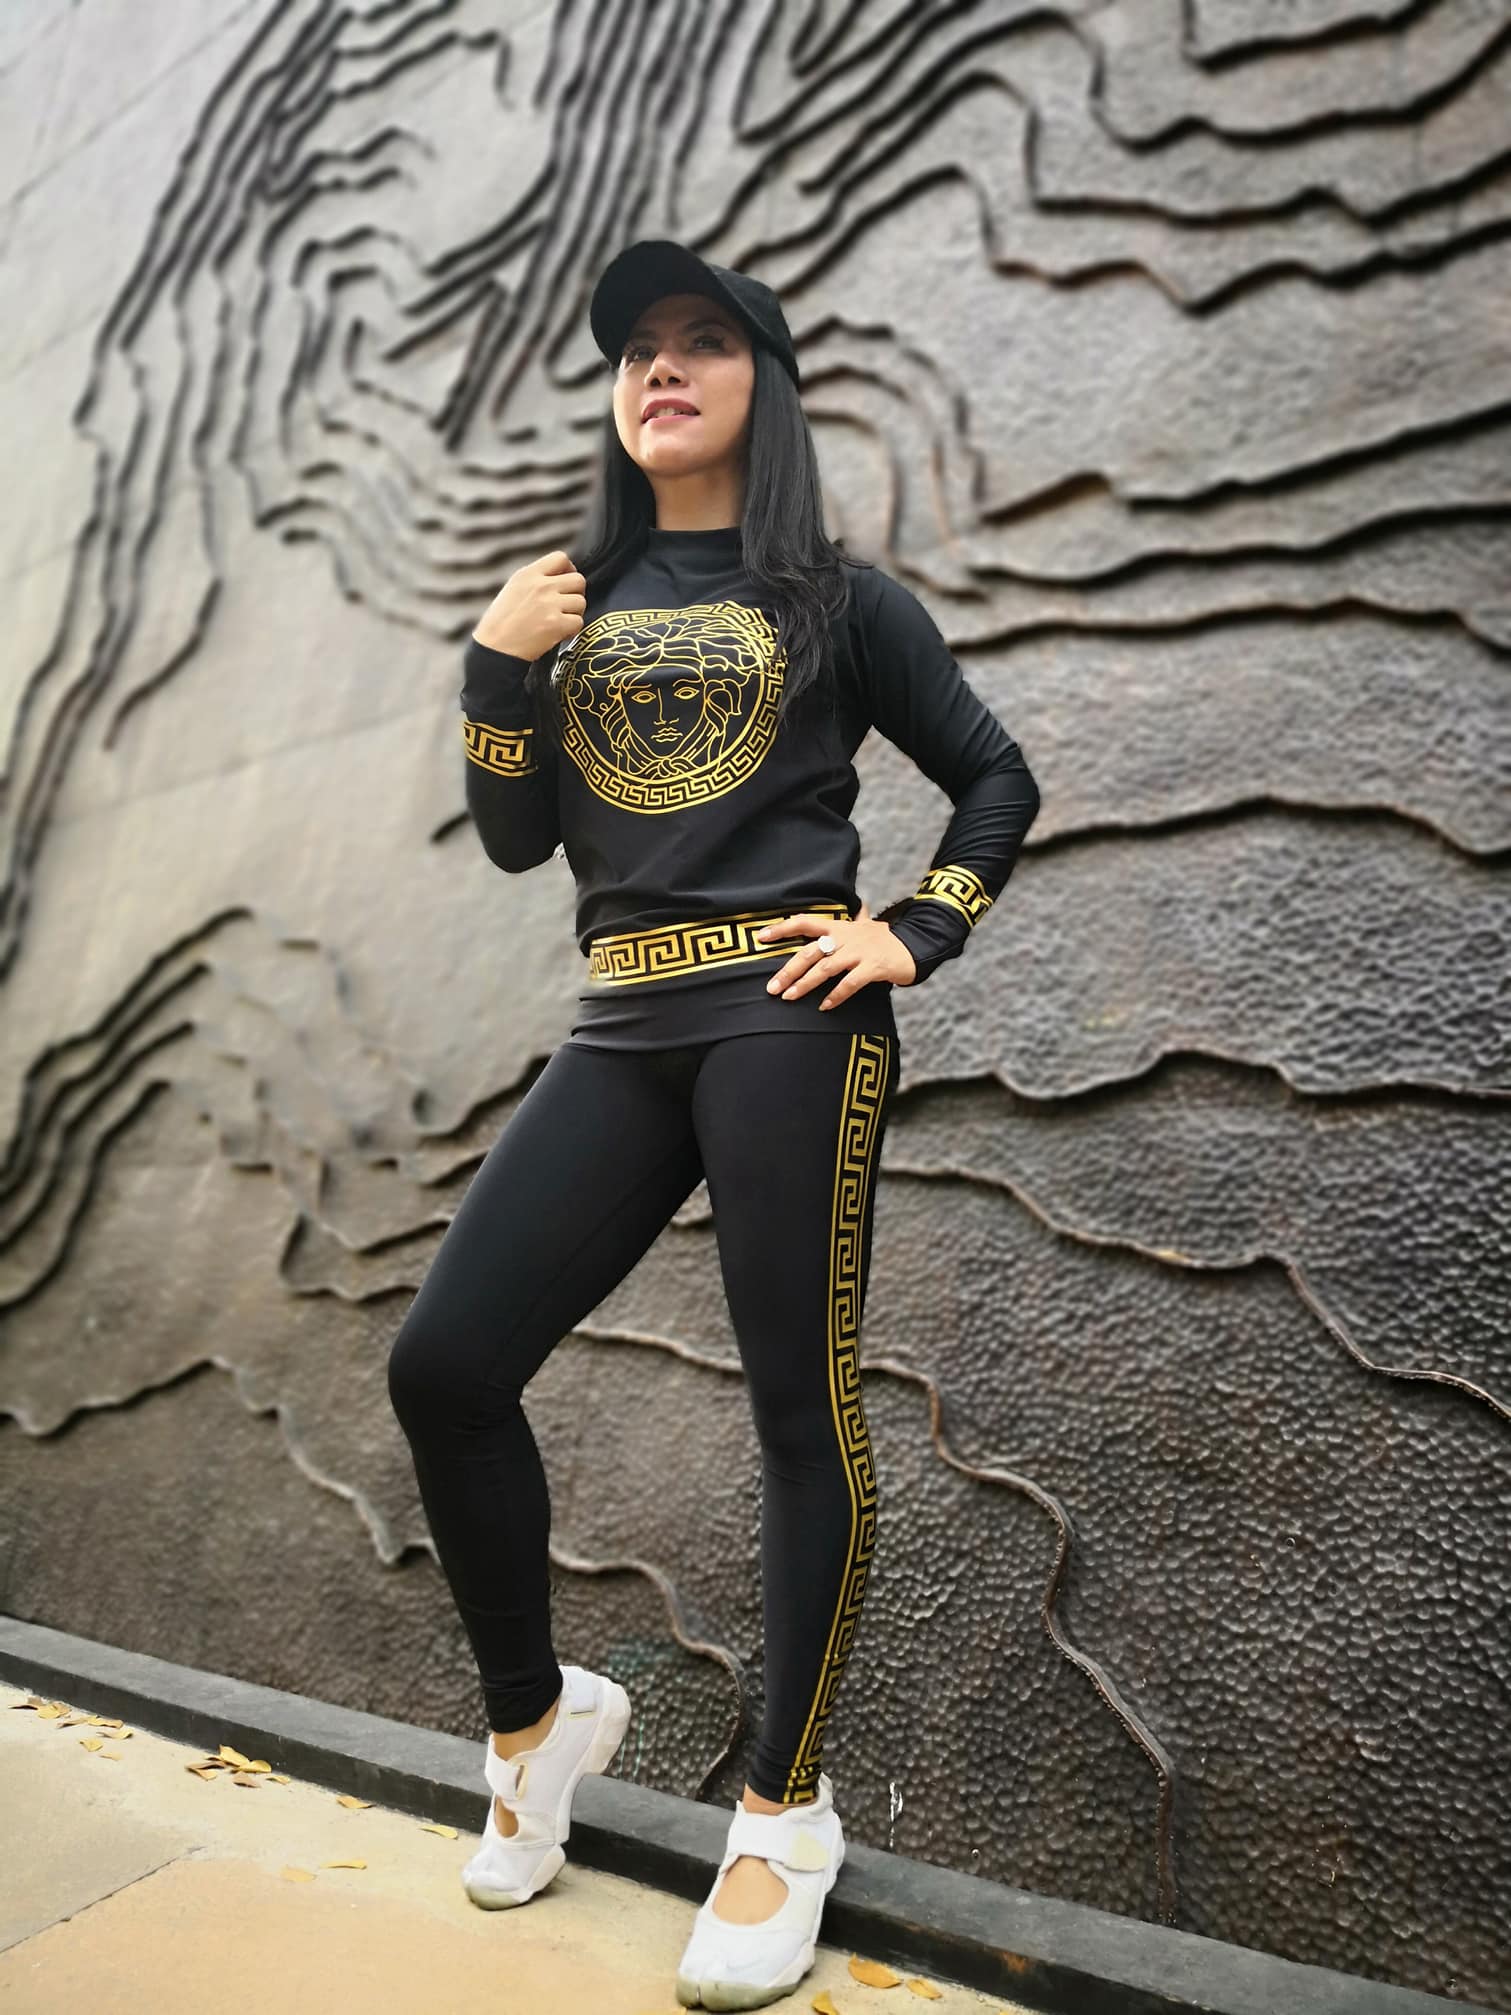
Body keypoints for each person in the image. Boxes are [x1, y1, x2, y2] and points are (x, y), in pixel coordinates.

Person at [386, 237, 1041, 2010]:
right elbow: (517, 843)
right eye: (637, 351)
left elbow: (995, 776)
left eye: (701, 341)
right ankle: (537, 1724)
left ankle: (780, 1813)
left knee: (796, 1412)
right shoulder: (564, 601)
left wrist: (916, 928)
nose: (659, 368)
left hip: (784, 1015)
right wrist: (493, 670)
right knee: (445, 1366)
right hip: (620, 1018)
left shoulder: (838, 599)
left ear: (767, 381)